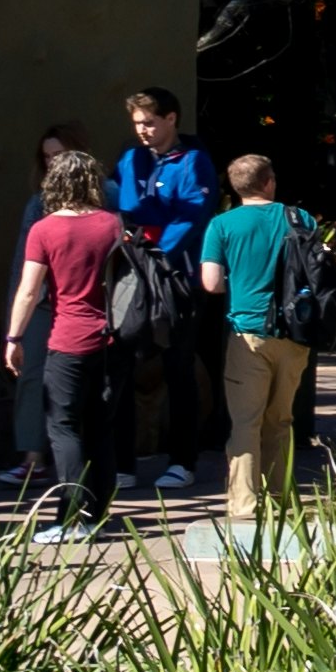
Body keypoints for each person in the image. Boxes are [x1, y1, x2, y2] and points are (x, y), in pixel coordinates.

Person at [2, 146, 125, 537]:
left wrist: (14, 337)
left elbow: (28, 291)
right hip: (111, 339)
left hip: (68, 340)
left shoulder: (45, 229)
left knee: (64, 428)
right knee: (100, 428)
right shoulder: (113, 224)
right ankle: (97, 515)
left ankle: (69, 518)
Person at [113, 86, 224, 494]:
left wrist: (157, 241)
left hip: (175, 273)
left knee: (178, 365)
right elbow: (120, 204)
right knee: (120, 358)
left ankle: (183, 460)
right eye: (138, 124)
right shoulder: (129, 159)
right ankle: (122, 463)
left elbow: (193, 213)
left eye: (150, 123)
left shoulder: (194, 161)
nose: (142, 131)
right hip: (134, 269)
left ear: (171, 119)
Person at [193, 152, 308, 515]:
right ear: (269, 182)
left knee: (246, 423)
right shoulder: (299, 218)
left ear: (235, 187)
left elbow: (210, 283)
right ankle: (282, 499)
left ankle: (244, 506)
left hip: (247, 333)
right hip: (294, 334)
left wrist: (240, 282)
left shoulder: (222, 225)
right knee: (281, 420)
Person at [0, 124, 90, 489]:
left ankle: (83, 467)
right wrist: (17, 319)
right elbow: (24, 266)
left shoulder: (105, 200)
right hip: (43, 302)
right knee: (32, 377)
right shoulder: (38, 203)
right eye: (46, 157)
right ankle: (32, 458)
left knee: (83, 384)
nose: (52, 164)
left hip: (83, 304)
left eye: (58, 155)